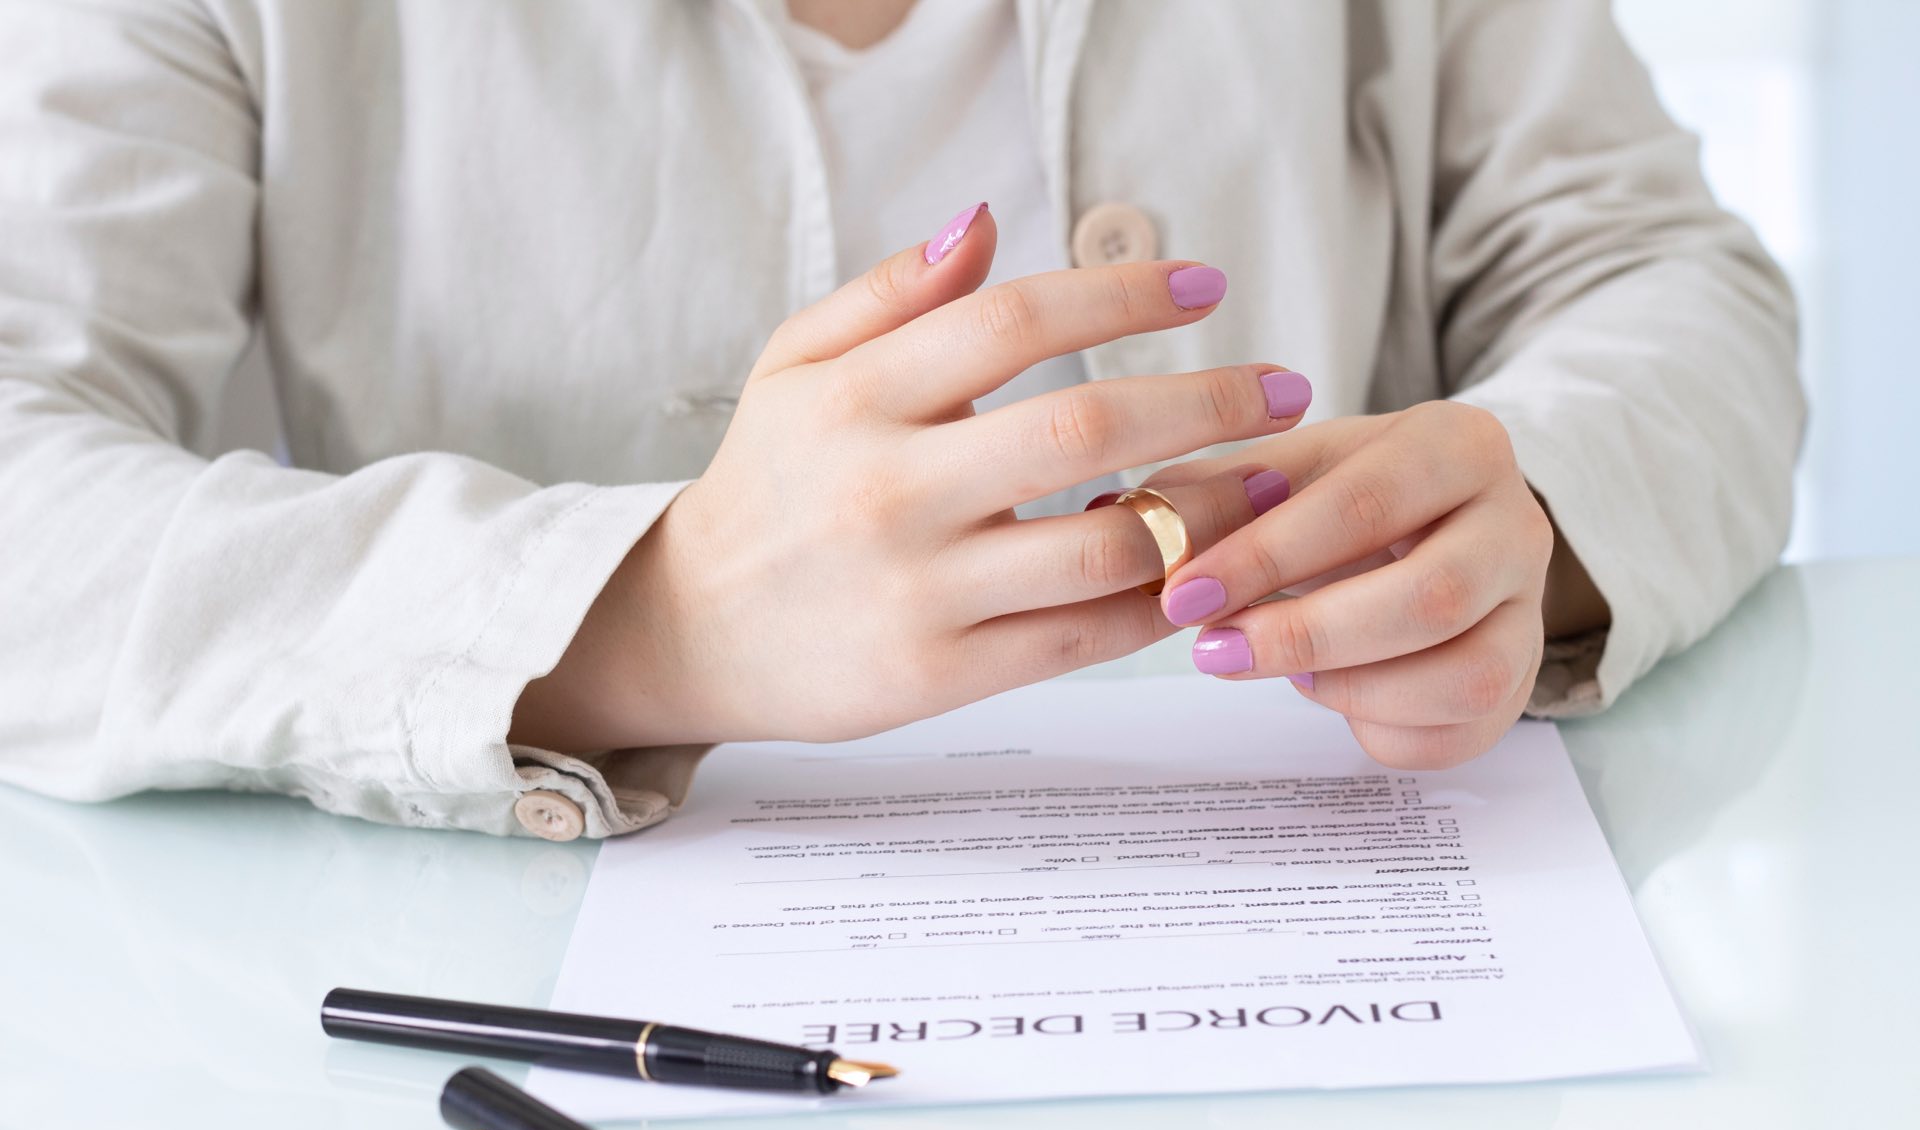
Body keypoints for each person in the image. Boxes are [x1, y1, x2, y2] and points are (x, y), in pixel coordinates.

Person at [0, 0, 1803, 841]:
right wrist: (640, 621)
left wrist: (1524, 526)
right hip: (524, 1063)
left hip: (1318, 1006)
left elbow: (1664, 276)